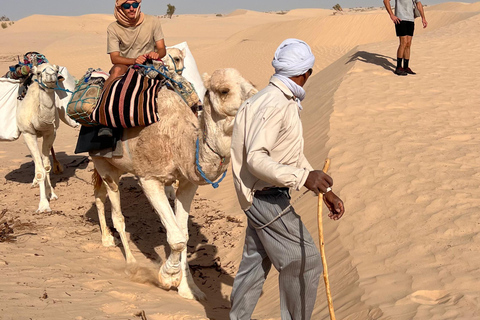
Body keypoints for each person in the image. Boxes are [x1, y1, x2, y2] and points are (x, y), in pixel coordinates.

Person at [229, 39, 345, 320]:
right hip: (264, 196)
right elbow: (256, 159)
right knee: (306, 263)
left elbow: (288, 154)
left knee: (255, 264)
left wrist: (325, 189)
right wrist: (303, 177)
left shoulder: (272, 98)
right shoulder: (276, 104)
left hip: (257, 195)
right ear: (306, 73)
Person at [105, 0, 166, 88]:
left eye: (135, 5)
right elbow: (114, 58)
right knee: (117, 71)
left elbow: (162, 49)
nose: (132, 9)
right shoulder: (113, 28)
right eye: (127, 6)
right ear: (120, 8)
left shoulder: (153, 21)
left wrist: (156, 54)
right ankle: (101, 99)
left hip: (150, 64)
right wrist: (134, 61)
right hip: (126, 65)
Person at [384, 0, 428, 76]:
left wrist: (423, 18)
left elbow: (419, 4)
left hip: (410, 19)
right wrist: (391, 15)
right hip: (400, 19)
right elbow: (386, 1)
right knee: (403, 42)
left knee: (408, 43)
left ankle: (406, 67)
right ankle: (398, 67)